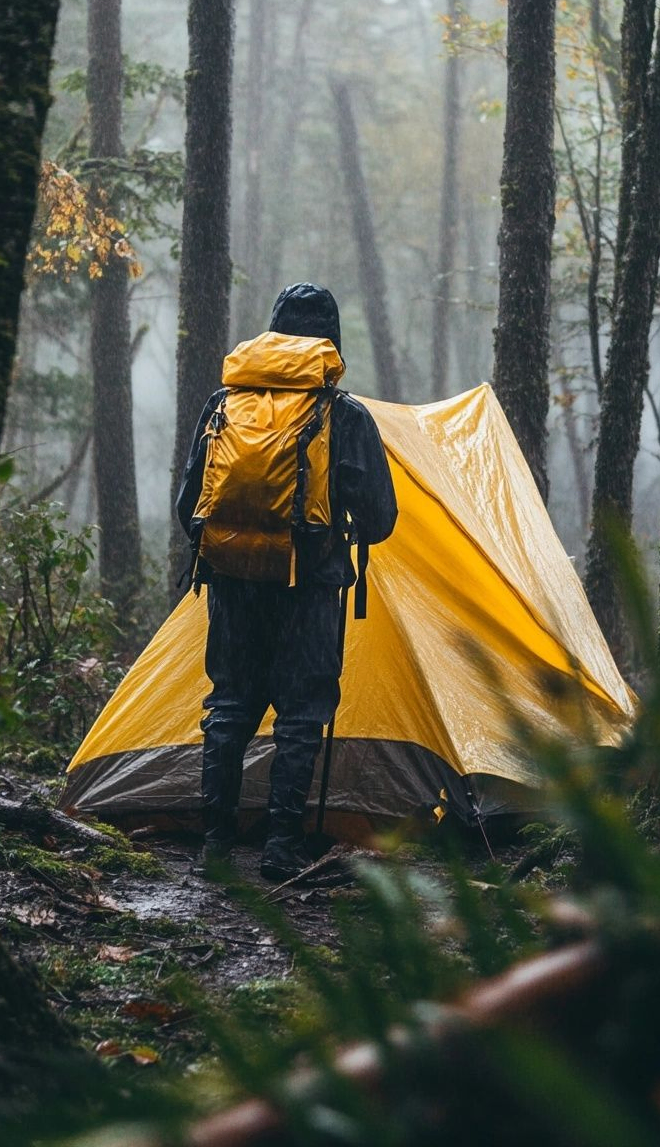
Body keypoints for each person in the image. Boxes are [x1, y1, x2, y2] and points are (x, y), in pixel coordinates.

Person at [176, 283, 398, 880]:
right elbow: (381, 518)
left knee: (228, 706)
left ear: (271, 334)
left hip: (231, 581)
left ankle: (216, 844)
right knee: (301, 714)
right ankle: (281, 846)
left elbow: (187, 503)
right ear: (331, 342)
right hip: (312, 585)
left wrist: (238, 549)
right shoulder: (343, 414)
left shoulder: (222, 405)